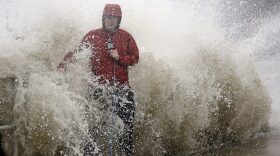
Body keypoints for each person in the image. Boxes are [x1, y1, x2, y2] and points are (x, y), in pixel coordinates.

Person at [58, 4, 139, 156]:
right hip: (98, 88)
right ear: (103, 18)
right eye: (108, 17)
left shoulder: (126, 36)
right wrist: (62, 67)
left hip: (122, 89)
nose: (111, 20)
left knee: (127, 128)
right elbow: (79, 52)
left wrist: (120, 58)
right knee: (92, 127)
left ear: (119, 19)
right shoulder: (92, 35)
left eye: (114, 18)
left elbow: (135, 58)